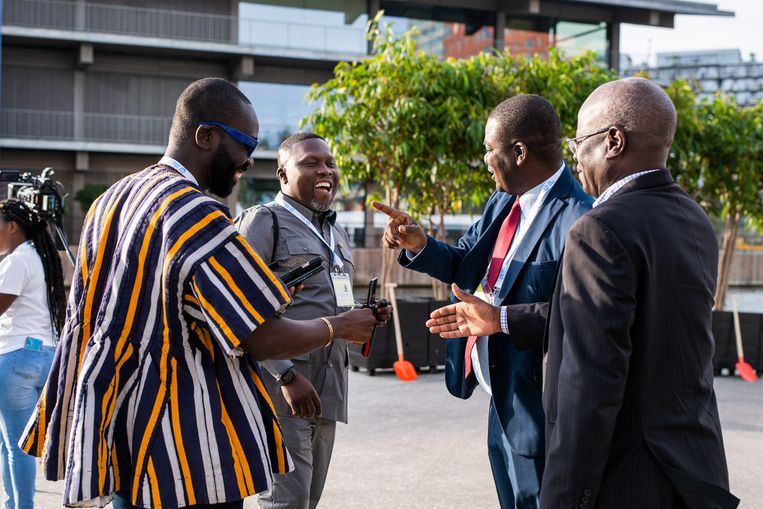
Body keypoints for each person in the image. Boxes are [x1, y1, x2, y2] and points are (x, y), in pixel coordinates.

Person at [18, 78, 379, 509]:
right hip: (184, 446)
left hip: (118, 428)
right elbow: (260, 337)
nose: (248, 159)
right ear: (206, 136)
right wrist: (337, 326)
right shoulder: (198, 212)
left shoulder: (110, 200)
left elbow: (115, 310)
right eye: (245, 143)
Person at [427, 78, 739, 509]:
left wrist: (563, 495)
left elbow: (588, 384)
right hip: (691, 468)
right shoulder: (694, 218)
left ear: (613, 141)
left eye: (579, 141)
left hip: (628, 472)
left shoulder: (597, 227)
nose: (574, 154)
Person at [374, 94, 592, 509]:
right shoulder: (501, 201)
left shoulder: (580, 218)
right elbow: (464, 264)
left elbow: (582, 317)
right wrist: (421, 245)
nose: (486, 159)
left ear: (519, 152)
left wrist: (501, 320)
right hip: (500, 397)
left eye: (490, 149)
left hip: (540, 409)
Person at [237, 132, 390, 509]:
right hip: (283, 388)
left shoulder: (335, 231)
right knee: (285, 502)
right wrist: (285, 375)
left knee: (308, 500)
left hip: (328, 387)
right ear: (283, 174)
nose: (325, 170)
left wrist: (363, 311)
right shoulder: (263, 222)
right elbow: (239, 309)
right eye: (310, 163)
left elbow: (324, 298)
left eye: (329, 163)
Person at [0, 200, 65, 509]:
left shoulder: (17, 262)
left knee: (15, 446)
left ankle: (20, 507)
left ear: (12, 226)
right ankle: (14, 503)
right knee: (12, 444)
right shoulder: (38, 257)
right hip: (44, 358)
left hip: (15, 358)